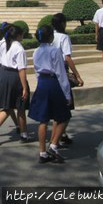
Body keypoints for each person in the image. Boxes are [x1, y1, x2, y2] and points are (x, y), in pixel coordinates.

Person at [0, 25, 33, 145]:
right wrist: (25, 87)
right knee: (19, 105)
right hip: (13, 76)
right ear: (18, 35)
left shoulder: (2, 44)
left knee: (8, 105)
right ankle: (22, 134)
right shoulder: (19, 49)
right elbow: (21, 69)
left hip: (1, 73)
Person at [28, 25, 72, 164]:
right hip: (53, 83)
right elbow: (61, 73)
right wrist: (67, 94)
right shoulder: (54, 51)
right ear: (51, 36)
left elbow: (36, 70)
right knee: (64, 116)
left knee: (43, 119)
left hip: (42, 82)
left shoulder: (36, 52)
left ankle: (42, 152)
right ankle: (53, 145)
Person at [51, 13, 83, 147]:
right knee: (65, 110)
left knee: (58, 109)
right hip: (61, 72)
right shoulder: (64, 37)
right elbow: (67, 58)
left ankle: (61, 135)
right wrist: (77, 75)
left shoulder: (50, 35)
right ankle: (55, 141)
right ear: (63, 23)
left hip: (50, 73)